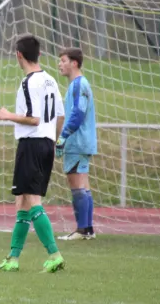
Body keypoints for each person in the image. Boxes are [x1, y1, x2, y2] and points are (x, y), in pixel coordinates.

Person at [0, 34, 66, 273]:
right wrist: (54, 140)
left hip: (31, 144)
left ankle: (54, 254)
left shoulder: (28, 82)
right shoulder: (51, 80)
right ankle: (13, 259)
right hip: (46, 143)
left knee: (32, 200)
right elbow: (60, 115)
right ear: (40, 55)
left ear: (18, 55)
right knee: (21, 202)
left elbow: (33, 119)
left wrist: (8, 115)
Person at [56, 47, 98, 240]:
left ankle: (81, 230)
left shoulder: (78, 85)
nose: (60, 64)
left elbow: (78, 113)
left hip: (77, 142)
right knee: (84, 185)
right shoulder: (79, 84)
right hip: (83, 141)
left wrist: (63, 136)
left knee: (77, 185)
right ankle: (88, 229)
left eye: (63, 60)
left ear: (74, 63)